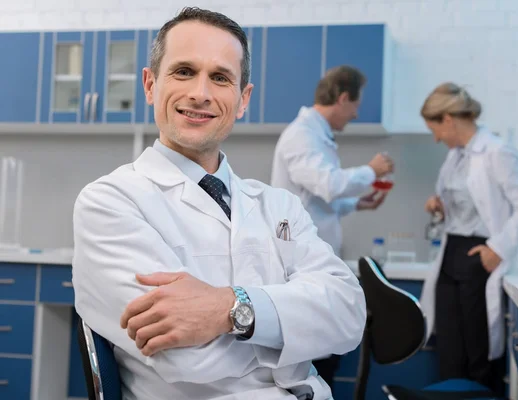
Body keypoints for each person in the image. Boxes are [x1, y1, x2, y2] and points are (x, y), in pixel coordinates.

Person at [72, 7, 366, 400]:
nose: (200, 93)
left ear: (243, 99)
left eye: (220, 77)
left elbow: (348, 315)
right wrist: (296, 332)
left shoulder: (279, 206)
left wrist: (229, 307)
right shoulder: (110, 202)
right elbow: (186, 359)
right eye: (183, 72)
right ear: (149, 84)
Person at [270, 66, 394, 390]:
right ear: (342, 98)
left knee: (325, 357)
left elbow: (317, 197)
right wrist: (372, 169)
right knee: (313, 361)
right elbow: (327, 183)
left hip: (315, 263)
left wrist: (357, 204)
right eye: (355, 105)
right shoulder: (302, 135)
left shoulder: (316, 135)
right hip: (299, 268)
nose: (355, 114)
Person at [418, 83, 518, 395]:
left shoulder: (497, 152)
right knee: (449, 351)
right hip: (449, 255)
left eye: (435, 129)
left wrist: (496, 249)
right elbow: (466, 206)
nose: (435, 138)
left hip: (479, 257)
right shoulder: (454, 157)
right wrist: (440, 207)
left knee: (478, 354)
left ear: (448, 119)